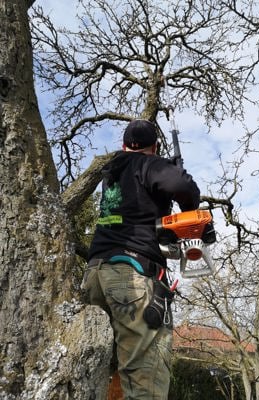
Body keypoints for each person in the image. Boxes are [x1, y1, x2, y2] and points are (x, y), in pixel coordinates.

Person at [82, 119, 200, 399]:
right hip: (132, 277)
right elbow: (182, 184)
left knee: (100, 373)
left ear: (123, 145)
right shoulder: (146, 163)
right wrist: (188, 211)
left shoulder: (111, 171)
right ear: (154, 147)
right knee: (144, 374)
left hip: (96, 274)